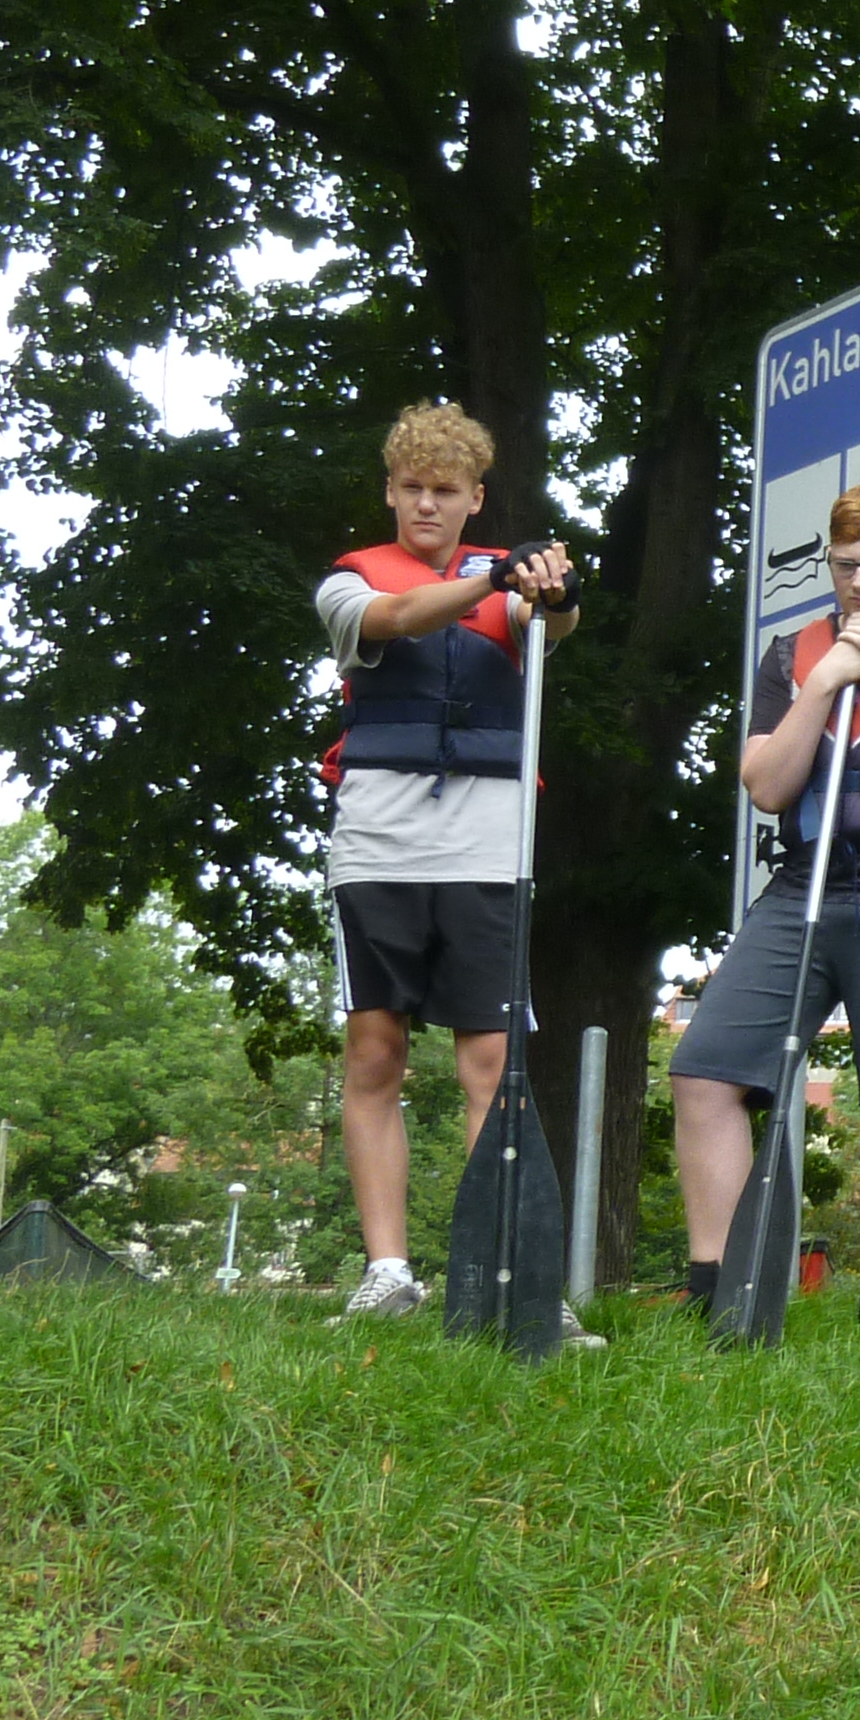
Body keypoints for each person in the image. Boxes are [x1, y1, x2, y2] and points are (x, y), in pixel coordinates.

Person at [667, 483, 860, 1326]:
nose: (859, 583)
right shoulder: (790, 655)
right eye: (844, 567)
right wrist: (824, 683)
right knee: (704, 1072)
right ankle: (719, 1290)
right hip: (804, 884)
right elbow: (768, 788)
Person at [314, 403, 574, 1318]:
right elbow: (397, 617)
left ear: (475, 499)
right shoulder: (350, 581)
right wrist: (492, 581)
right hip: (379, 841)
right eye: (412, 488)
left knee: (493, 1059)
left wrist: (553, 591)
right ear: (390, 493)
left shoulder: (504, 581)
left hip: (486, 842)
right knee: (375, 1049)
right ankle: (388, 1271)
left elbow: (546, 625)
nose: (427, 504)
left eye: (445, 490)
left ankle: (504, 1271)